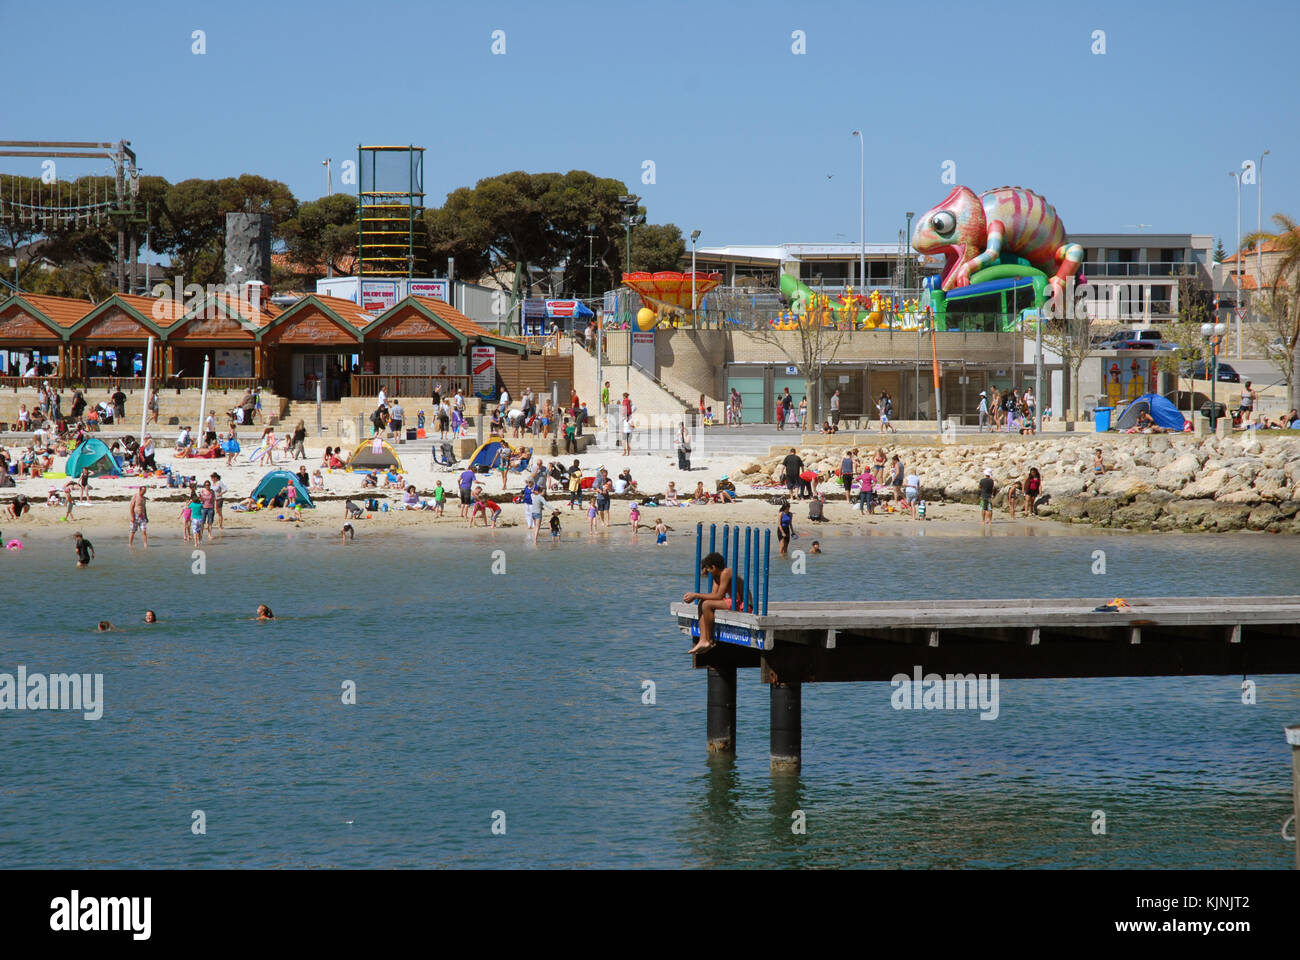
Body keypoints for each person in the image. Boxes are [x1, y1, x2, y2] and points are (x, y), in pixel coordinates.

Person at [683, 552, 735, 655]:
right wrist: (697, 597)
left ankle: (709, 639)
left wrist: (696, 595)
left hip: (741, 603)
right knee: (703, 603)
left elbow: (719, 596)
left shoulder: (726, 572)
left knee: (706, 604)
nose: (707, 571)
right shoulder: (717, 577)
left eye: (708, 568)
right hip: (731, 601)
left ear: (714, 567)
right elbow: (713, 595)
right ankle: (703, 639)